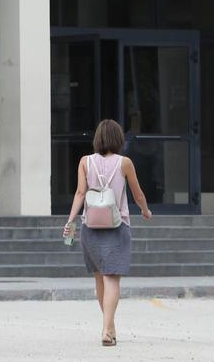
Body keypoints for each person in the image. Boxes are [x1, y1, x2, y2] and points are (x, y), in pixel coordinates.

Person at [63, 119, 153, 348]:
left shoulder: (85, 162)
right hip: (117, 225)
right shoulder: (125, 163)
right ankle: (106, 328)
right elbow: (137, 193)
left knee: (99, 278)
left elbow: (80, 193)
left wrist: (71, 219)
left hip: (90, 226)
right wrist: (145, 210)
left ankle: (109, 327)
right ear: (118, 139)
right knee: (112, 278)